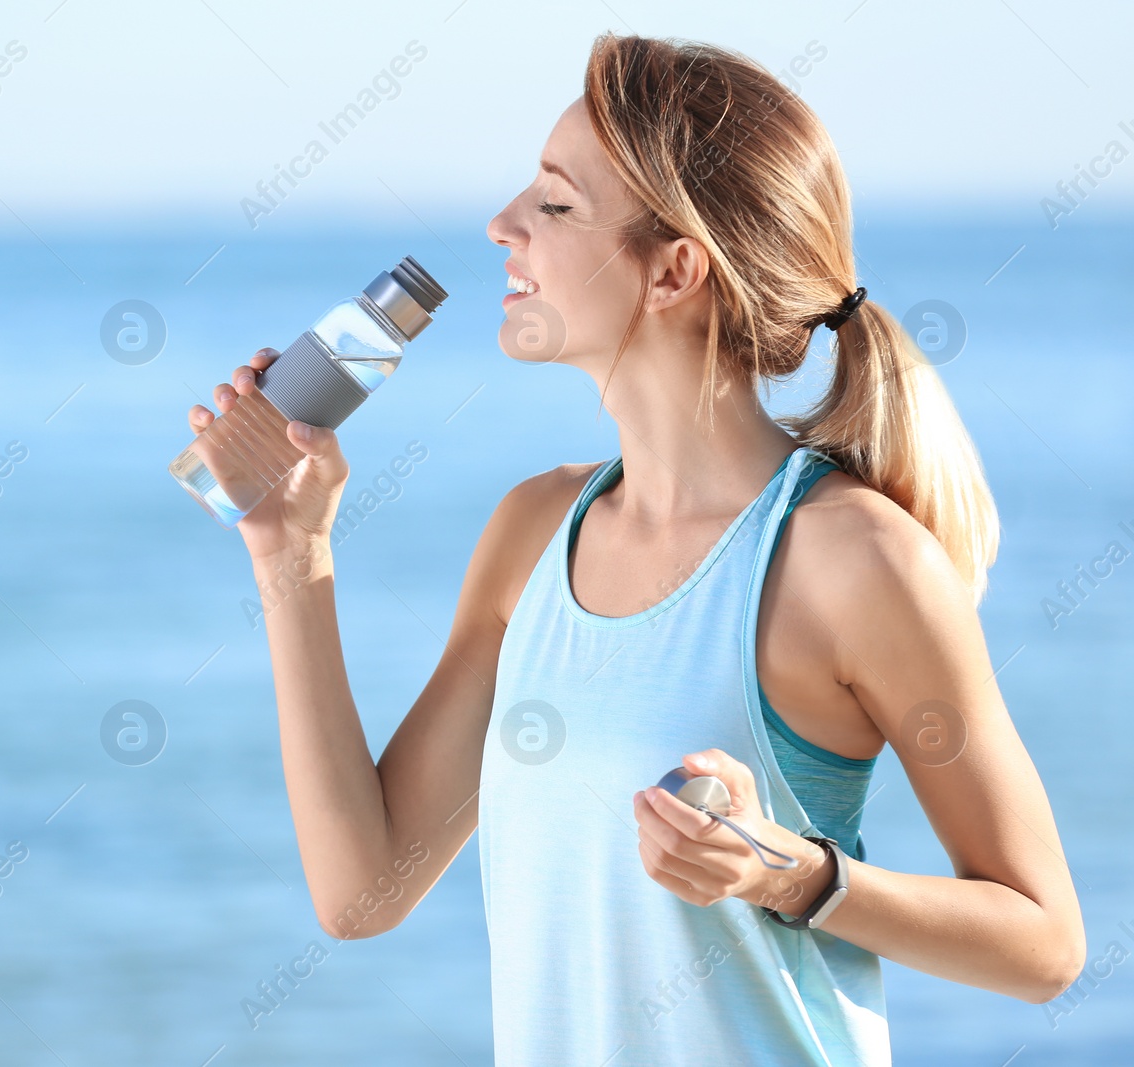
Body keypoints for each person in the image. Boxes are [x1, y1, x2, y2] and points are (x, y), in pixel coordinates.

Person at [184, 32, 1084, 1066]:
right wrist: (290, 553)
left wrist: (790, 874)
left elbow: (1045, 943)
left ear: (673, 272)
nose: (500, 226)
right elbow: (362, 890)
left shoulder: (848, 560)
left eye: (555, 205)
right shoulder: (531, 534)